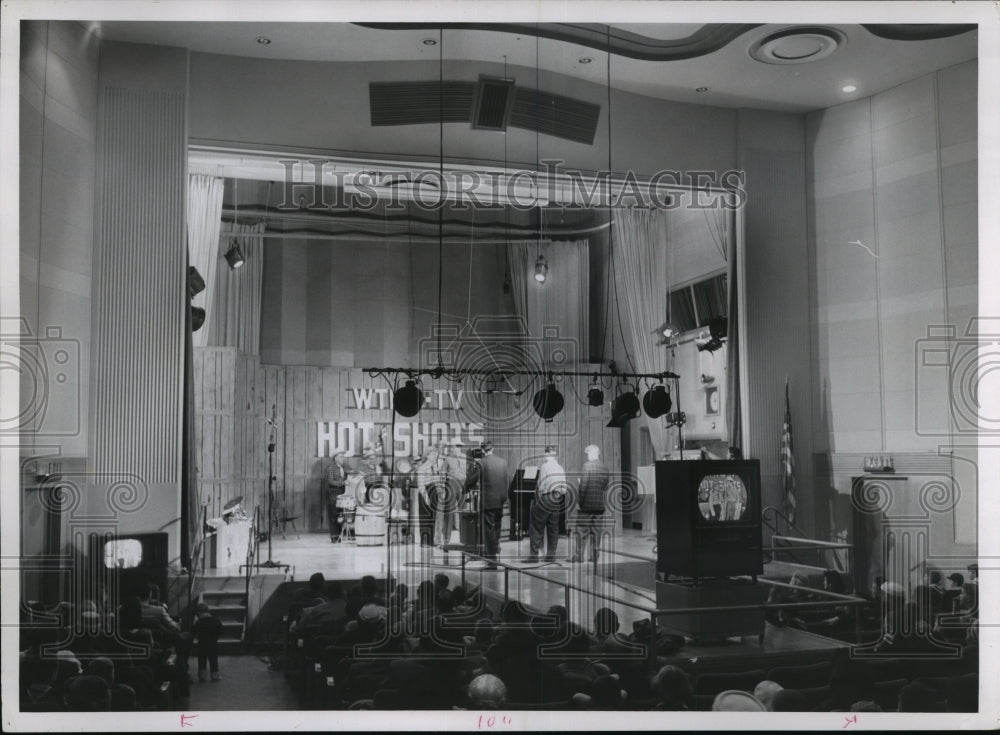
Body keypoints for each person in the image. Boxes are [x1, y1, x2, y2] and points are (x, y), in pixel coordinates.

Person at [464, 440, 509, 568]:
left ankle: (492, 560)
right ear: (493, 448)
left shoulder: (481, 463)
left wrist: (465, 488)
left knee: (488, 530)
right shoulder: (503, 462)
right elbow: (507, 480)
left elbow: (472, 480)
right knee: (496, 529)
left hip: (488, 502)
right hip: (500, 500)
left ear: (483, 450)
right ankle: (495, 550)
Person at [524, 446, 567, 563]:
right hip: (557, 499)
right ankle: (551, 556)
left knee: (536, 526)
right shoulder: (560, 467)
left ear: (547, 455)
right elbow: (564, 488)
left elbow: (541, 485)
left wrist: (539, 500)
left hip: (546, 497)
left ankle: (534, 556)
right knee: (553, 529)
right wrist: (557, 494)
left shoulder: (545, 466)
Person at [570, 444, 611, 563]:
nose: (587, 456)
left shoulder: (587, 466)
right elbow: (605, 487)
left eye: (587, 453)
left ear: (593, 453)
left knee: (581, 532)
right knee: (596, 532)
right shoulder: (605, 468)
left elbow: (583, 487)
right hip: (599, 506)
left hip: (587, 506)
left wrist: (581, 503)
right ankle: (594, 557)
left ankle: (578, 557)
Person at [191, 603, 223, 682]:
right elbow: (220, 630)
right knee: (213, 660)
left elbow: (193, 632)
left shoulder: (198, 622)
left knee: (202, 660)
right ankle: (215, 675)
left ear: (198, 613)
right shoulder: (216, 621)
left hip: (202, 645)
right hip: (213, 644)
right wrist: (215, 637)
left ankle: (202, 675)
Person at [326, 450, 348, 542]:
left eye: (343, 456)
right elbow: (330, 481)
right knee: (333, 516)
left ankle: (339, 536)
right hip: (333, 496)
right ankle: (334, 537)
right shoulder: (330, 468)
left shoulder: (342, 468)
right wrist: (343, 483)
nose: (342, 458)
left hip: (341, 496)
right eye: (340, 456)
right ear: (335, 458)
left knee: (340, 516)